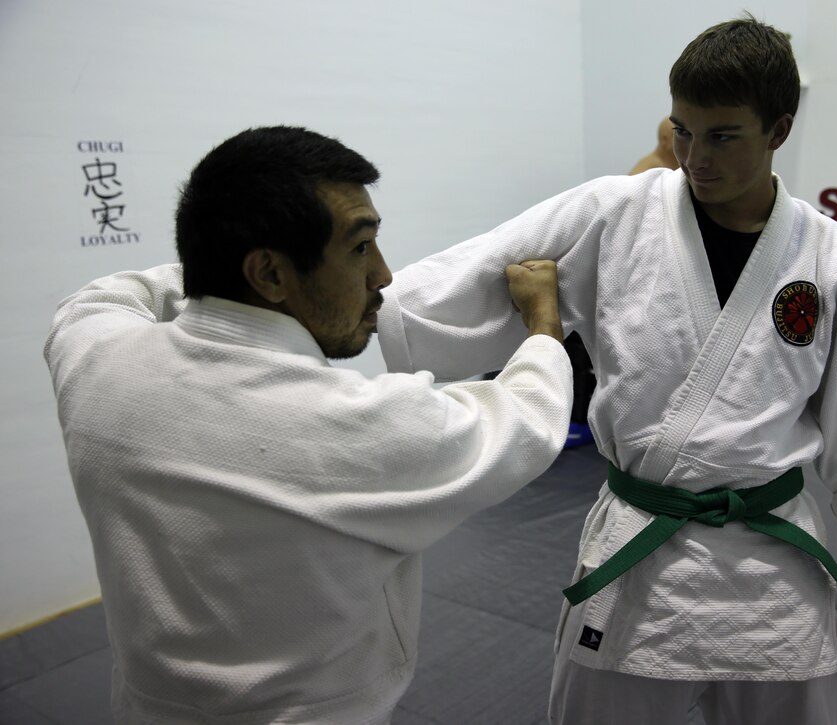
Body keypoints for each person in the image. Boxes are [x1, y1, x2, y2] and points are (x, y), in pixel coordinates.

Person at [375, 16, 837, 725]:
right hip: (639, 561)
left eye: (723, 135)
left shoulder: (833, 258)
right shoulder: (615, 213)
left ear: (779, 131)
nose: (696, 157)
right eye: (683, 131)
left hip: (774, 575)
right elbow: (473, 271)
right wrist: (322, 307)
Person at [43, 126, 572, 724]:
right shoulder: (357, 424)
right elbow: (527, 419)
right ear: (269, 274)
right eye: (359, 248)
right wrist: (542, 321)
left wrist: (214, 266)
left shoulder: (95, 355)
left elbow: (102, 295)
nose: (384, 276)